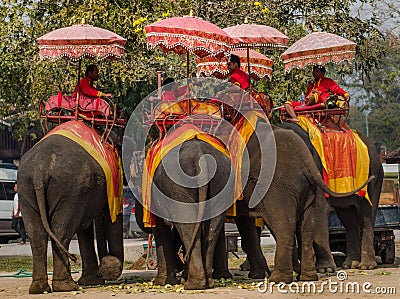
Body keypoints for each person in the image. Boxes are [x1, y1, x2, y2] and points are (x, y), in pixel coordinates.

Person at [284, 65, 350, 122]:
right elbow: (307, 98)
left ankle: (303, 108)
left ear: (322, 73)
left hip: (320, 102)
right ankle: (294, 118)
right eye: (314, 71)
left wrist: (345, 94)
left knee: (315, 96)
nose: (314, 73)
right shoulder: (311, 86)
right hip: (307, 104)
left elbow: (336, 89)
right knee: (287, 103)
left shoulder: (328, 81)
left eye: (317, 71)